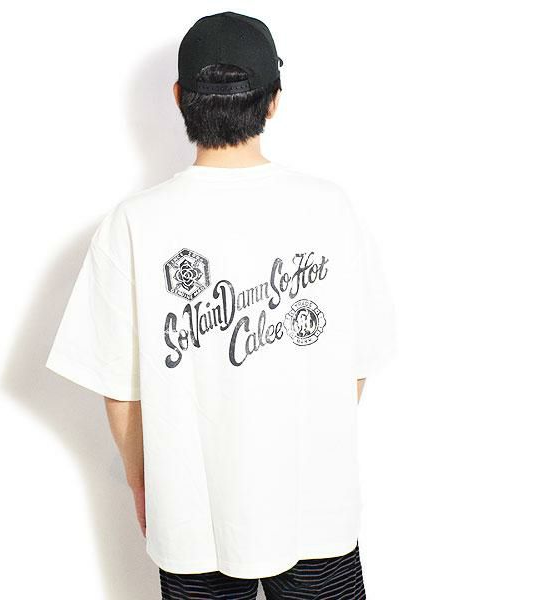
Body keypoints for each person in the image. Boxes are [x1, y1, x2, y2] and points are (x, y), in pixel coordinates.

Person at [45, 10, 396, 599]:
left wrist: (143, 482)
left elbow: (119, 388)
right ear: (274, 100)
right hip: (314, 508)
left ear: (180, 98)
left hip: (192, 512)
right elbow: (355, 366)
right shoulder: (330, 209)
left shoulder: (135, 224)